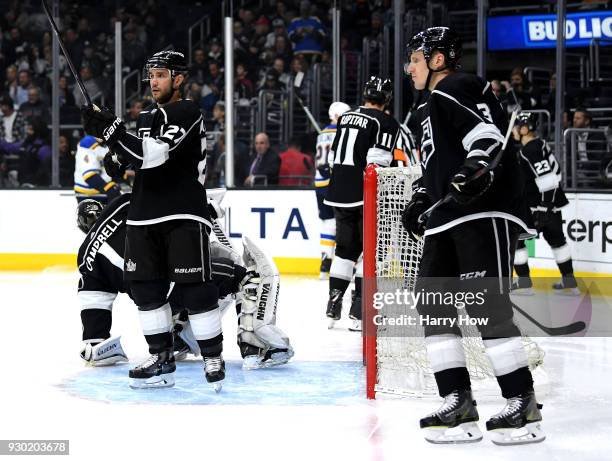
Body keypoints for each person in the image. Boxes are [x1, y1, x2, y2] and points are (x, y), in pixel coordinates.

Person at [402, 27, 543, 445]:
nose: (409, 67)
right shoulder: (425, 108)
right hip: (449, 216)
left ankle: (523, 405)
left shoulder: (459, 85)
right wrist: (421, 197)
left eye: (415, 59)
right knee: (432, 304)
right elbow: (435, 167)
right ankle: (458, 403)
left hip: (483, 208)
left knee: (486, 307)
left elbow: (485, 136)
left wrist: (474, 169)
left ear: (438, 59)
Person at [80, 50, 225, 391]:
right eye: (152, 75)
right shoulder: (147, 115)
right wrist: (114, 155)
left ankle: (212, 355)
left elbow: (157, 154)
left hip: (182, 210)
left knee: (195, 288)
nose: (154, 81)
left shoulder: (187, 111)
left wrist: (113, 130)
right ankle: (160, 356)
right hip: (143, 214)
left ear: (178, 78)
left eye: (161, 75)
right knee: (145, 289)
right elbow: (134, 156)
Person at [76, 193, 293, 371]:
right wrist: (203, 208)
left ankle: (179, 338)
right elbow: (167, 210)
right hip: (179, 273)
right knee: (248, 278)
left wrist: (94, 344)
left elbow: (94, 322)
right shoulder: (121, 204)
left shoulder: (86, 257)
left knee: (201, 281)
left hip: (154, 306)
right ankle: (255, 346)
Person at [324, 76, 400, 331]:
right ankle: (360, 312)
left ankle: (333, 305)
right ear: (387, 99)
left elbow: (334, 157)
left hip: (338, 191)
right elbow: (376, 165)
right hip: (363, 193)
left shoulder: (345, 117)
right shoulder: (386, 122)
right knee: (369, 251)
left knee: (345, 250)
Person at [511, 112, 578, 294]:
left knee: (516, 240)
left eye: (516, 126)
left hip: (538, 205)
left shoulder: (529, 150)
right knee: (557, 241)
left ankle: (524, 283)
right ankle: (569, 282)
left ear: (525, 128)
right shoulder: (540, 144)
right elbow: (555, 175)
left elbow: (547, 180)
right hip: (552, 203)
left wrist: (543, 207)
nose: (514, 130)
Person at [315, 101, 351, 279]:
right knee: (345, 221)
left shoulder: (321, 134)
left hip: (319, 184)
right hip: (335, 182)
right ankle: (343, 263)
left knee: (327, 222)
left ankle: (325, 260)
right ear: (337, 116)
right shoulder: (342, 132)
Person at [73, 134, 121, 203]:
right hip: (87, 194)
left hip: (103, 191)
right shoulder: (87, 143)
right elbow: (89, 176)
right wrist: (108, 188)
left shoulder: (107, 142)